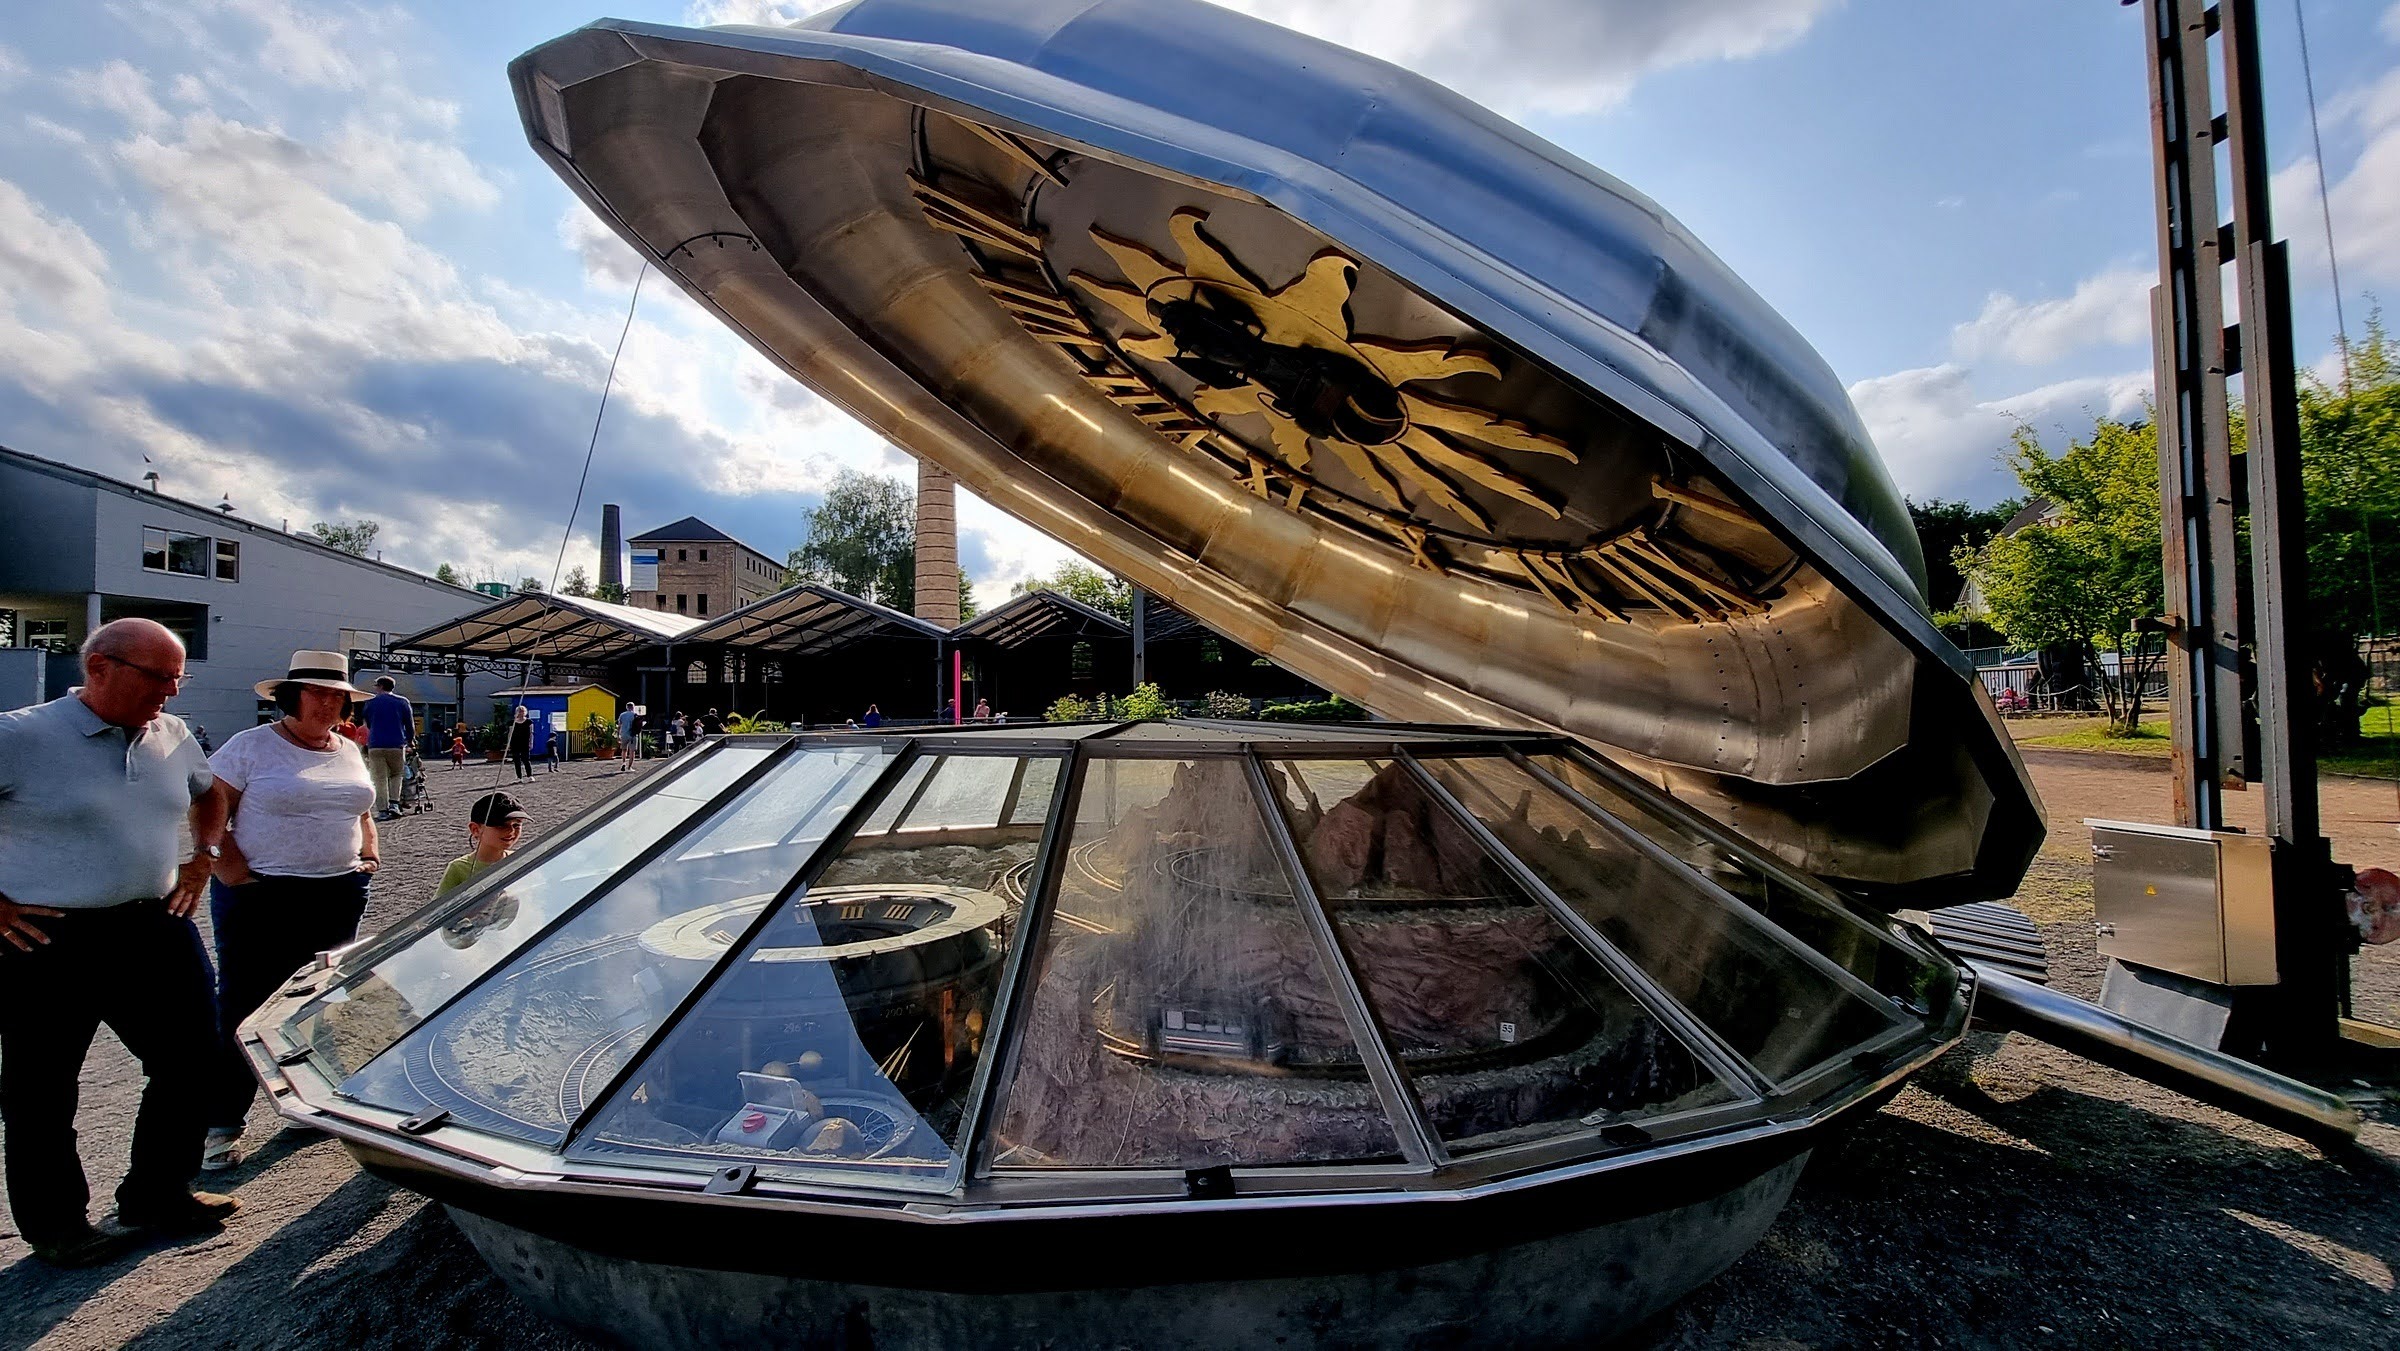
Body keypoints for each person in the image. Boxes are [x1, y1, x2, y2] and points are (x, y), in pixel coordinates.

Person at [0, 618, 237, 1266]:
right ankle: (56, 1225)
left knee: (193, 1056)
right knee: (41, 1087)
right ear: (99, 667)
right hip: (47, 936)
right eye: (158, 677)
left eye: (178, 679)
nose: (170, 692)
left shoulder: (173, 735)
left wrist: (204, 856)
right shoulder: (19, 736)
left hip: (154, 925)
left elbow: (211, 795)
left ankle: (157, 1193)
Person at [202, 650, 379, 1172]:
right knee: (245, 1003)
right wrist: (231, 870)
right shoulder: (250, 747)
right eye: (316, 693)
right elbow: (208, 810)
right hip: (262, 893)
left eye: (337, 696)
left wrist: (369, 853)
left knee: (318, 999)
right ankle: (220, 1122)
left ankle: (304, 1100)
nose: (328, 703)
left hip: (338, 891)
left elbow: (361, 808)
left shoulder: (347, 748)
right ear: (289, 697)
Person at [439, 791, 527, 898]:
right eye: (501, 825)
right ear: (475, 829)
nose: (511, 831)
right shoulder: (458, 868)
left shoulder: (520, 860)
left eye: (516, 825)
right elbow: (439, 907)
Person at [361, 675, 413, 821]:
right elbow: (409, 724)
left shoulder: (370, 702)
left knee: (379, 778)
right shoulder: (402, 702)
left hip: (375, 745)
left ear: (381, 686)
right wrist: (410, 741)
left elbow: (368, 723)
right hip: (396, 744)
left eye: (376, 686)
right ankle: (394, 803)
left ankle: (382, 810)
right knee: (396, 774)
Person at [505, 706, 534, 781]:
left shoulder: (529, 722)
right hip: (515, 743)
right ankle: (519, 777)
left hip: (525, 743)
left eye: (522, 711)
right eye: (519, 711)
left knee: (526, 760)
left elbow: (531, 733)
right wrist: (508, 743)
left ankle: (530, 776)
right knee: (516, 761)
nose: (521, 713)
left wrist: (531, 742)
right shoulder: (512, 722)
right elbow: (510, 733)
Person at [615, 705, 640, 773]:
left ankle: (623, 763)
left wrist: (618, 735)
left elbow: (619, 726)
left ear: (627, 707)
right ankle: (629, 767)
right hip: (632, 735)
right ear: (633, 707)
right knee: (632, 751)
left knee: (624, 750)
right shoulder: (635, 715)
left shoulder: (622, 715)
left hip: (624, 734)